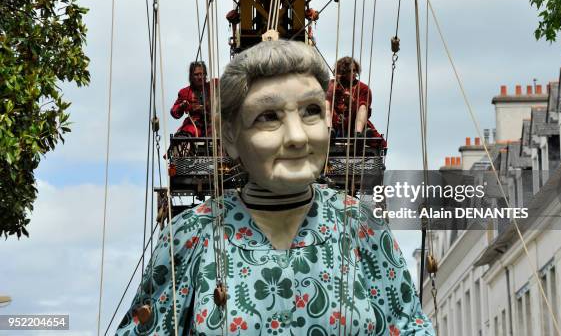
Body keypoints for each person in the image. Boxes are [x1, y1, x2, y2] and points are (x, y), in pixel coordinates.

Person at [116, 41, 433, 335]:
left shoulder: (363, 226)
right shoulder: (191, 235)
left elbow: (409, 325)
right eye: (268, 117)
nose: (297, 137)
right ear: (229, 136)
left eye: (311, 111)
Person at [326, 57, 387, 148]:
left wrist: (352, 102)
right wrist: (335, 87)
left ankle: (359, 135)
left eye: (354, 70)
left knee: (362, 106)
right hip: (335, 125)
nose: (353, 73)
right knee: (325, 102)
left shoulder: (363, 88)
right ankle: (328, 131)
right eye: (349, 71)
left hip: (353, 124)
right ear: (342, 72)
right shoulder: (331, 85)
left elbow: (365, 111)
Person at [170, 61, 214, 137]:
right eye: (196, 75)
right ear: (191, 76)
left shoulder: (213, 86)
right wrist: (181, 106)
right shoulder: (185, 92)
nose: (200, 77)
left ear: (205, 75)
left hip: (212, 124)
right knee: (184, 136)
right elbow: (174, 112)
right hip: (194, 126)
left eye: (202, 74)